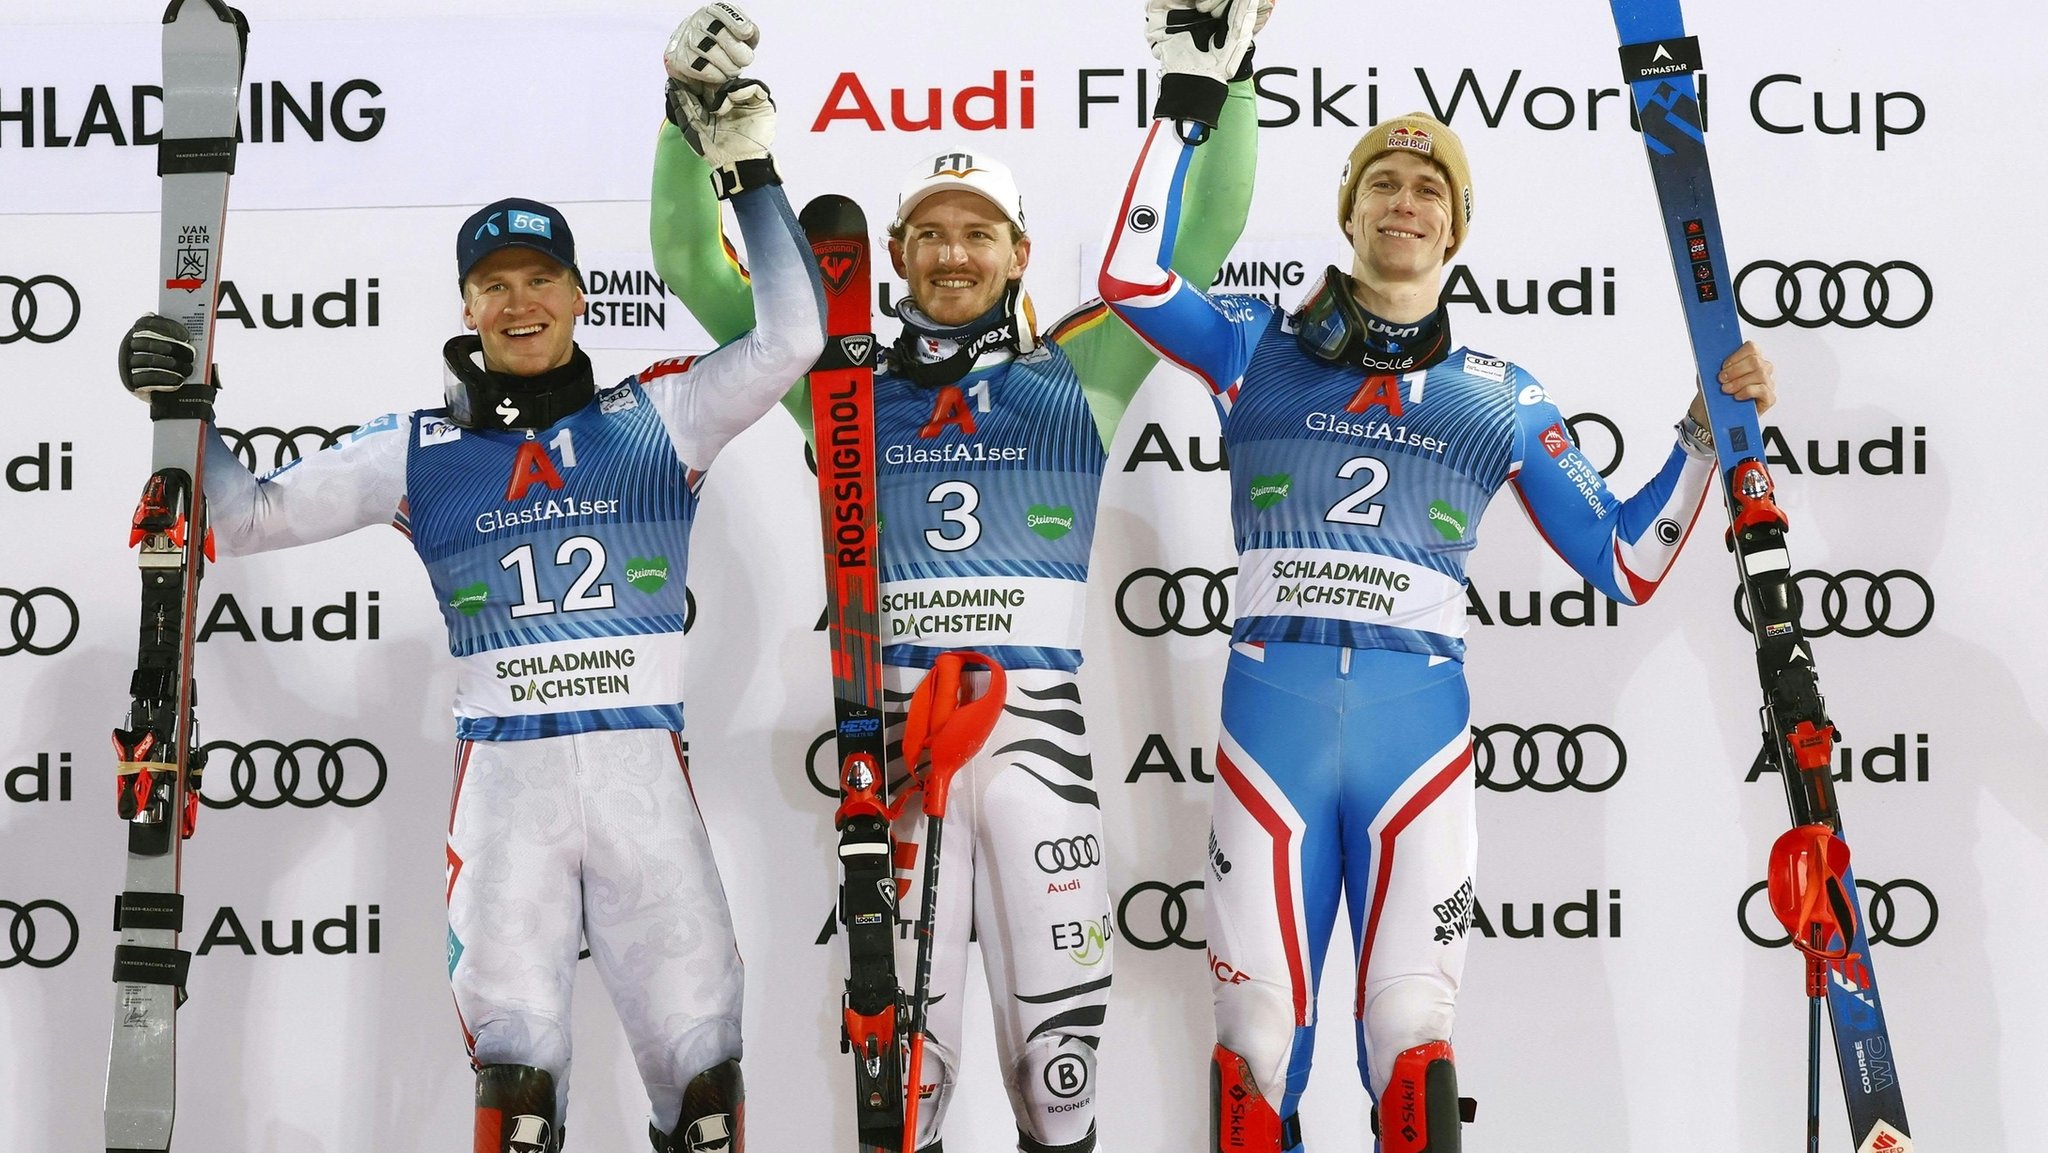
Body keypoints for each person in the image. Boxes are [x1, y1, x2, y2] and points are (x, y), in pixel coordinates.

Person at [1097, 4, 1780, 1151]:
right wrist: (1185, 101)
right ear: (1349, 209)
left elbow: (1624, 560)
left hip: (1419, 733)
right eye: (1382, 184)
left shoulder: (1495, 394)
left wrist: (1703, 436)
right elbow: (1126, 275)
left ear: (1456, 227)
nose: (1403, 204)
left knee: (1411, 1045)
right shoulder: (1255, 342)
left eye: (1427, 191)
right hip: (1273, 716)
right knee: (1251, 1049)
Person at [115, 54, 824, 1153]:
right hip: (507, 803)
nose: (518, 301)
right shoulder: (420, 450)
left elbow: (792, 339)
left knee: (707, 1105)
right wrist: (184, 404)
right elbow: (242, 515)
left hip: (646, 789)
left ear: (581, 293)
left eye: (539, 278)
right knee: (516, 1104)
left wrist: (750, 170)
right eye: (494, 284)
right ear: (466, 305)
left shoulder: (661, 414)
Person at [652, 5, 1264, 1150]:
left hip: (1042, 760)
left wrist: (1223, 77)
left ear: (1019, 253)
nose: (950, 253)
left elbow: (1207, 229)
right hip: (897, 769)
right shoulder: (832, 382)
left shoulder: (1083, 366)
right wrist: (681, 118)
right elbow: (690, 261)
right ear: (891, 255)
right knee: (903, 1099)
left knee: (1060, 1087)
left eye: (977, 231)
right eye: (927, 232)